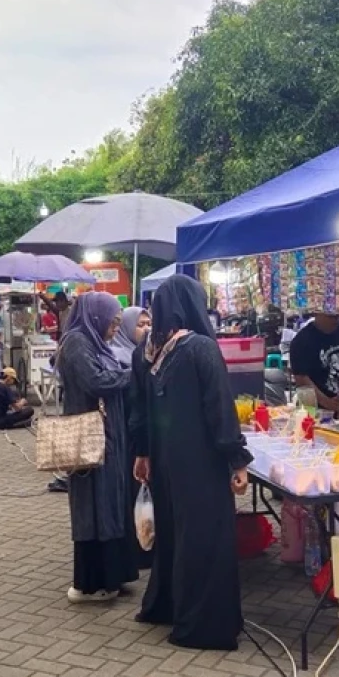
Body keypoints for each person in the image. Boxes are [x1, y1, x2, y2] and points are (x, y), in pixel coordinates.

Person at [130, 275, 251, 651]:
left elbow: (138, 411)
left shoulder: (146, 351)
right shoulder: (199, 348)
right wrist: (237, 459)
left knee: (175, 535)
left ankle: (167, 606)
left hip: (165, 461)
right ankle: (201, 625)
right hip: (200, 461)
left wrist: (143, 453)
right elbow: (219, 409)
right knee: (205, 540)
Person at [57, 292, 137, 603]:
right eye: (112, 322)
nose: (115, 328)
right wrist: (134, 373)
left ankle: (114, 575)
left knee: (110, 502)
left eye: (119, 323)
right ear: (96, 317)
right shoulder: (77, 341)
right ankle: (91, 584)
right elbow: (97, 381)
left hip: (107, 435)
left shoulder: (94, 341)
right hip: (89, 438)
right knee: (94, 506)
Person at [111, 307, 153, 570]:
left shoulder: (148, 356)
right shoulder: (117, 357)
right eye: (140, 325)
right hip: (126, 440)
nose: (147, 329)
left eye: (149, 323)